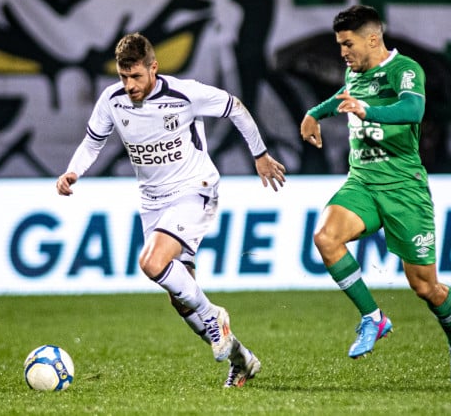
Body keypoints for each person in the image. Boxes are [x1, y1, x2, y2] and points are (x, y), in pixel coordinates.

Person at [56, 32, 286, 388]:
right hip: (152, 203)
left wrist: (259, 155)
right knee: (182, 299)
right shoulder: (112, 101)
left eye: (136, 76)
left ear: (153, 68)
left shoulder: (184, 94)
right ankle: (242, 360)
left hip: (195, 189)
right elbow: (92, 142)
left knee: (151, 263)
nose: (129, 85)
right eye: (123, 76)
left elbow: (235, 107)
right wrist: (73, 171)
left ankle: (215, 317)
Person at [299, 5, 451, 385]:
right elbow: (344, 96)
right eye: (340, 45)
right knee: (326, 238)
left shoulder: (405, 70)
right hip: (362, 182)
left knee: (425, 287)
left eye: (348, 44)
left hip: (404, 189)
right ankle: (372, 318)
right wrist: (316, 112)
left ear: (373, 39)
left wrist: (368, 111)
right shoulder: (354, 72)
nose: (343, 52)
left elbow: (413, 109)